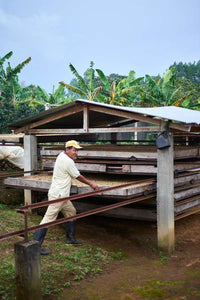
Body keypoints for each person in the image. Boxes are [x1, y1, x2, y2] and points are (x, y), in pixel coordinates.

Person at [33, 140, 99, 255]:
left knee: (71, 212)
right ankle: (35, 246)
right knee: (48, 220)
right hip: (58, 195)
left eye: (77, 150)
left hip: (63, 195)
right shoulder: (67, 161)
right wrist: (91, 184)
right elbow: (78, 176)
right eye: (74, 150)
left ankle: (70, 239)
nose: (76, 153)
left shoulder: (61, 156)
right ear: (67, 149)